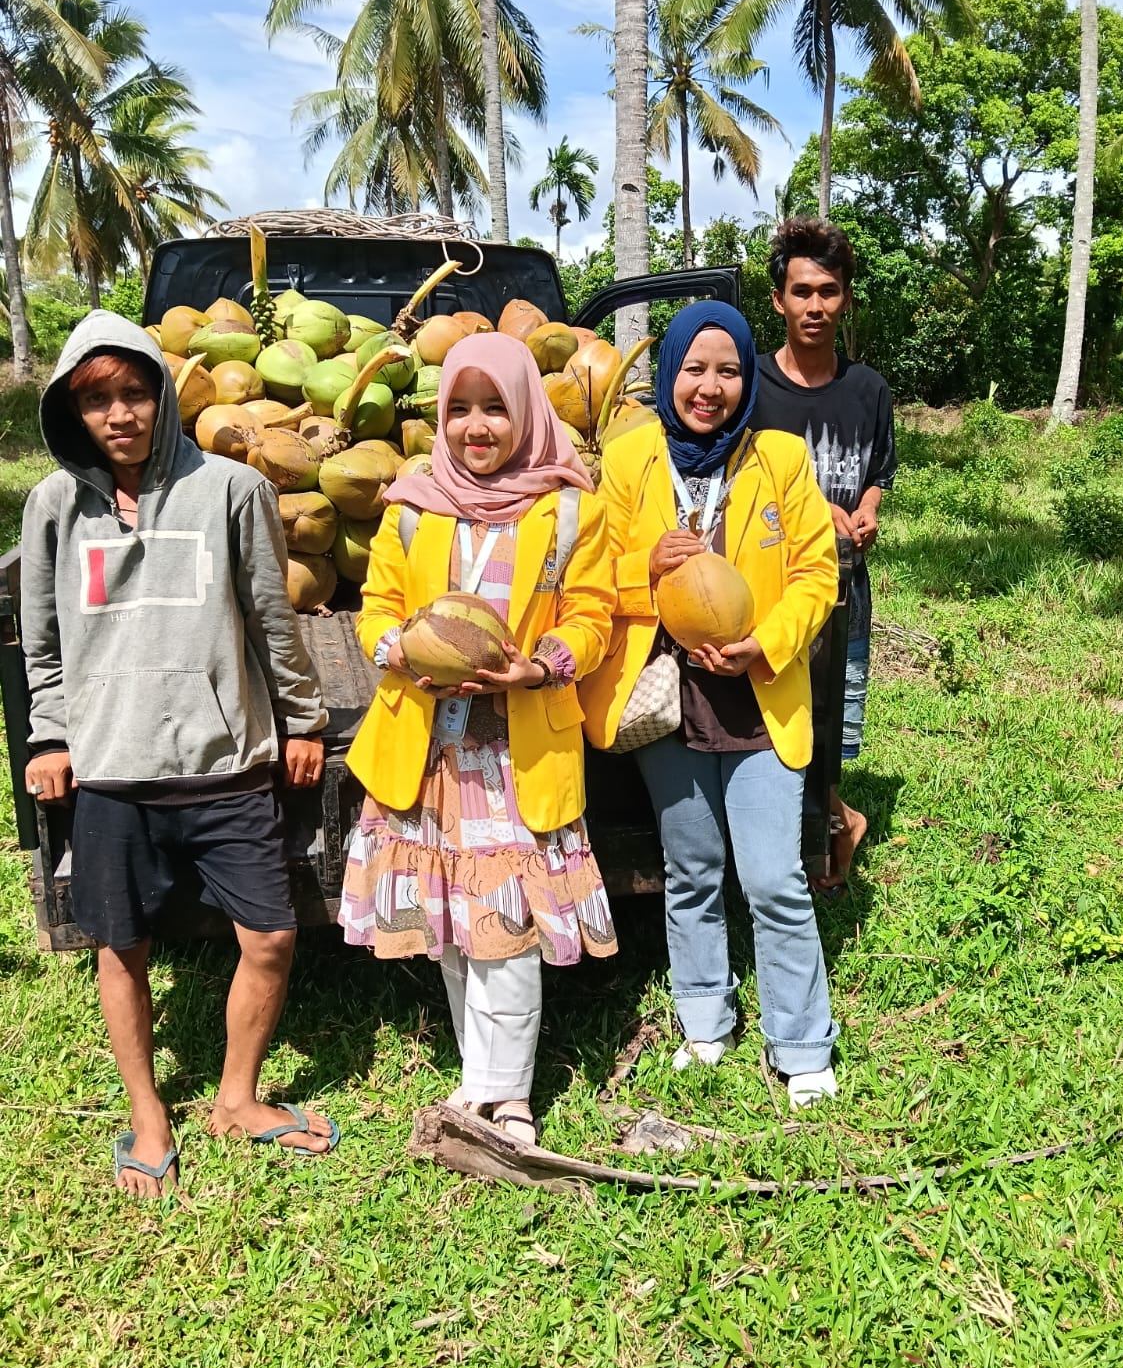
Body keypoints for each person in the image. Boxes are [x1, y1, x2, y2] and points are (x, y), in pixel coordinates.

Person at [21, 312, 335, 1199]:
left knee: (270, 936)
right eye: (95, 400)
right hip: (114, 770)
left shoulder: (230, 488)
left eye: (134, 392)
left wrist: (302, 720)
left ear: (163, 392)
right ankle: (149, 1113)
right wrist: (50, 736)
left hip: (225, 762)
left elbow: (272, 616)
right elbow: (42, 643)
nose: (119, 414)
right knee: (118, 947)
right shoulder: (53, 505)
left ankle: (236, 1097)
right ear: (71, 412)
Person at [339, 331, 617, 1144]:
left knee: (508, 925)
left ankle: (512, 1095)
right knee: (452, 928)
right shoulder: (413, 507)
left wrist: (540, 668)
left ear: (527, 411)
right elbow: (377, 611)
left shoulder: (570, 510)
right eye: (459, 409)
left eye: (495, 407)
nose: (476, 426)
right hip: (427, 749)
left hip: (514, 750)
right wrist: (403, 653)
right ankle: (476, 1080)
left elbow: (593, 616)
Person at [580, 301, 840, 1109]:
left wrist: (768, 642)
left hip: (758, 698)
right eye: (695, 368)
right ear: (670, 375)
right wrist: (643, 566)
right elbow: (591, 576)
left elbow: (816, 575)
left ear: (747, 379)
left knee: (773, 877)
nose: (710, 387)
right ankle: (705, 1020)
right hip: (669, 698)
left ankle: (801, 1043)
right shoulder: (628, 461)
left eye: (728, 371)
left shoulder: (782, 459)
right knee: (690, 869)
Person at [752, 217, 898, 893]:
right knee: (778, 721)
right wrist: (812, 513)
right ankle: (817, 837)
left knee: (834, 719)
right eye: (802, 291)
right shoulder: (750, 388)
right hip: (767, 590)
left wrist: (866, 509)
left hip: (846, 587)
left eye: (830, 292)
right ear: (778, 299)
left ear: (846, 300)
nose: (816, 306)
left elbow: (878, 471)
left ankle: (831, 830)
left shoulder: (868, 389)